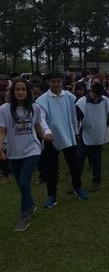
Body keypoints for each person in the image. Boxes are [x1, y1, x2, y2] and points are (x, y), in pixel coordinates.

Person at [0, 80, 53, 230]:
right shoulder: (4, 109)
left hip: (32, 150)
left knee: (24, 182)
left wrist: (44, 136)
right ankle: (31, 203)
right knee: (21, 184)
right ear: (12, 92)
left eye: (23, 89)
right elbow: (2, 130)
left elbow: (37, 125)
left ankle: (24, 214)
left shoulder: (34, 107)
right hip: (13, 152)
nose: (20, 92)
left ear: (27, 92)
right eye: (17, 89)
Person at [36, 71, 90, 207]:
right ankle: (52, 196)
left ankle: (78, 188)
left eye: (58, 81)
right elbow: (41, 120)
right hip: (51, 138)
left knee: (73, 164)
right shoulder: (42, 100)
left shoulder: (69, 97)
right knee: (52, 168)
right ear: (48, 82)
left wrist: (76, 131)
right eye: (53, 81)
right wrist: (47, 133)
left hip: (68, 135)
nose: (56, 84)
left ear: (62, 82)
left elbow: (73, 116)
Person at [75, 82, 109, 191]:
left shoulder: (105, 101)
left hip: (98, 135)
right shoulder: (81, 103)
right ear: (91, 91)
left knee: (96, 161)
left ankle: (96, 182)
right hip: (84, 136)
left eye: (99, 96)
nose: (96, 98)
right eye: (95, 95)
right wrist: (76, 133)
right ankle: (76, 183)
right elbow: (76, 120)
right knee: (79, 160)